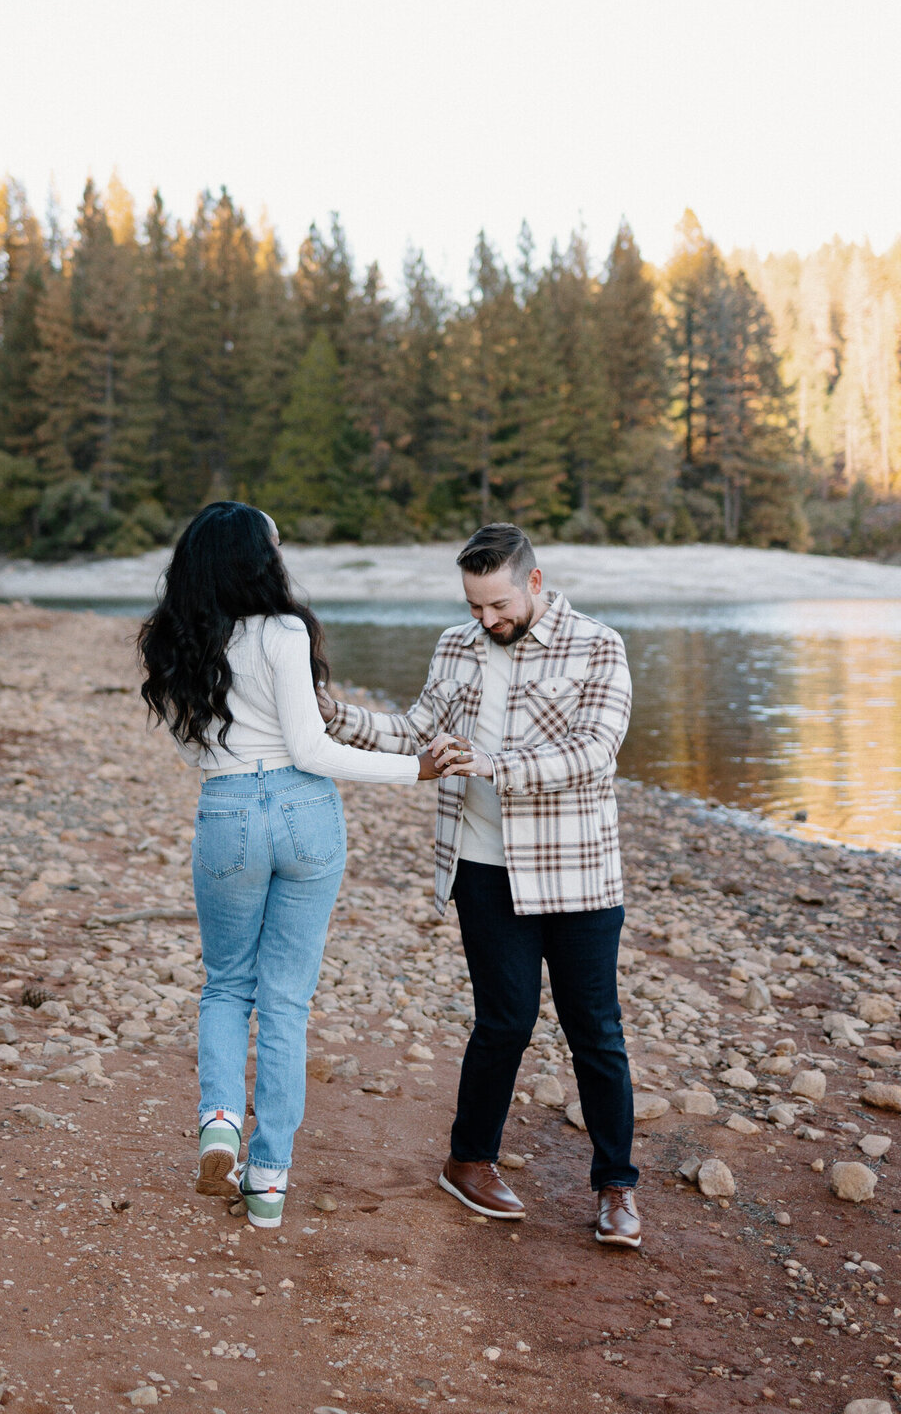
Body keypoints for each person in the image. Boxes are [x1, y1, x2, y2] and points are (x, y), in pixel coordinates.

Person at [317, 522, 641, 1248]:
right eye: (473, 606)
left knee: (596, 1028)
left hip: (578, 869)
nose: (486, 621)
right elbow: (412, 731)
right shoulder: (455, 645)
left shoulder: (599, 644)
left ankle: (617, 1186)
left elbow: (594, 752)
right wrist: (330, 713)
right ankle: (468, 1161)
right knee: (505, 1020)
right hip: (482, 868)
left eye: (497, 605)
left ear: (533, 582)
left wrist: (494, 764)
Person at [138, 501, 437, 1230]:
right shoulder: (283, 631)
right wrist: (414, 769)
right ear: (256, 559)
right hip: (304, 814)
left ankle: (217, 1124)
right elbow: (309, 750)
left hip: (228, 811)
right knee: (285, 1002)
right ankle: (268, 1183)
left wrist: (233, 767)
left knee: (226, 985)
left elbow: (189, 750)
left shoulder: (172, 639)